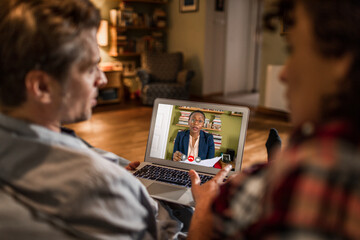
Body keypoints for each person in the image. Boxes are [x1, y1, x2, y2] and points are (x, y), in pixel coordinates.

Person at [0, 0, 189, 239]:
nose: (103, 80)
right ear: (41, 86)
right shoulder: (101, 188)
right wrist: (204, 211)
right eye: (90, 68)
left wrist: (123, 169)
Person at [187, 0, 360, 239]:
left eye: (294, 49)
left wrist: (204, 207)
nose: (284, 73)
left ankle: (276, 159)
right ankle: (276, 158)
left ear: (344, 58)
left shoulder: (310, 180)